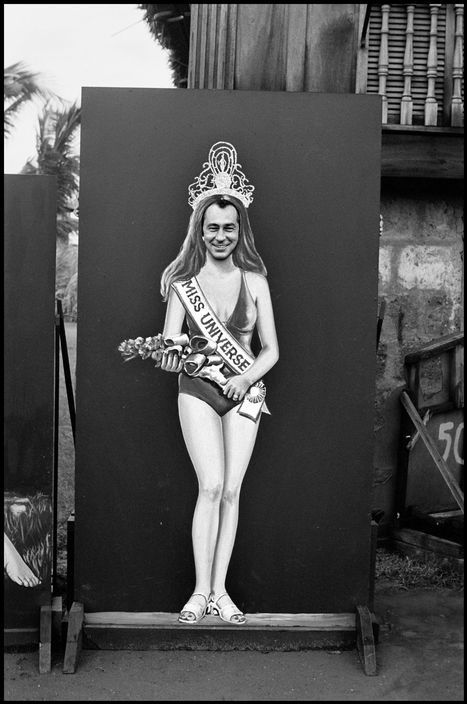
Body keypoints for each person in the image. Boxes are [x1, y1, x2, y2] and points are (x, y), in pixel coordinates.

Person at [160, 142, 279, 625]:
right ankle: (198, 591)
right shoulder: (183, 282)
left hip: (244, 394)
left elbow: (271, 349)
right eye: (213, 228)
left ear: (240, 230)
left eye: (230, 228)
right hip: (199, 391)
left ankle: (221, 593)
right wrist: (170, 355)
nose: (221, 236)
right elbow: (170, 340)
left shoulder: (255, 280)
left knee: (231, 491)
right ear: (200, 230)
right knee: (209, 486)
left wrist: (245, 377)